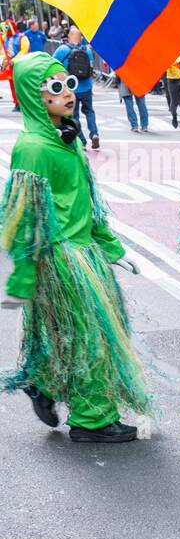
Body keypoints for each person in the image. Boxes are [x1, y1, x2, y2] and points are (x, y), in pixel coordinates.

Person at [1, 53, 150, 441]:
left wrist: (112, 248)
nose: (67, 93)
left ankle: (43, 381)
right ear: (36, 97)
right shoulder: (33, 148)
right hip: (64, 261)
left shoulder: (68, 136)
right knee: (91, 339)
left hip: (87, 254)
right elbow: (25, 221)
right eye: (55, 88)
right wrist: (23, 279)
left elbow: (88, 202)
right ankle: (92, 420)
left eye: (68, 83)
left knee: (73, 335)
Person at [52, 26, 99, 150]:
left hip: (71, 88)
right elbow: (91, 66)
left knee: (74, 115)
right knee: (89, 111)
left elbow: (52, 64)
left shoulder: (63, 49)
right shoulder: (87, 50)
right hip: (87, 87)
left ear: (69, 37)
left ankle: (81, 141)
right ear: (80, 38)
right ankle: (94, 133)